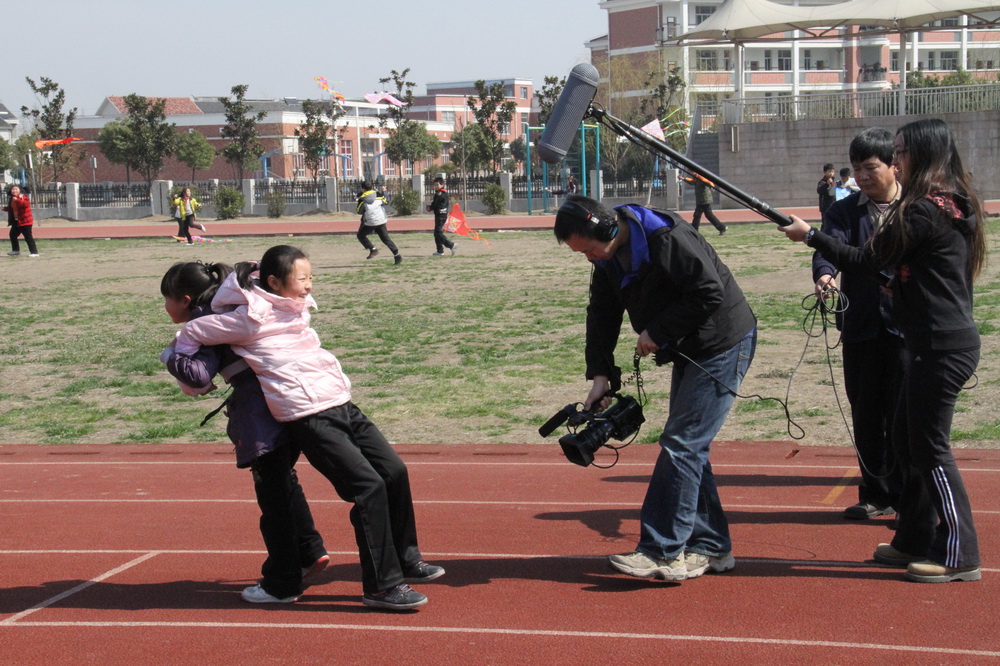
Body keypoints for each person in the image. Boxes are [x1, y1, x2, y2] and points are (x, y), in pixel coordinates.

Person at [171, 245, 442, 608]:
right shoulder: (246, 316)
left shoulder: (288, 302)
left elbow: (257, 276)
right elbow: (195, 346)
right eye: (303, 278)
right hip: (305, 409)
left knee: (393, 471)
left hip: (336, 399)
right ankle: (380, 585)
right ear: (274, 282)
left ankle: (404, 559)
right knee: (361, 487)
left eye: (310, 277)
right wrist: (176, 356)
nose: (310, 285)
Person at [782, 118, 986, 583]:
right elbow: (894, 269)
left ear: (921, 156)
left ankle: (961, 552)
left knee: (930, 449)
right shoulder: (948, 203)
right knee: (906, 442)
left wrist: (810, 236)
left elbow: (866, 260)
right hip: (932, 341)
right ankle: (914, 538)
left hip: (939, 345)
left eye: (901, 152)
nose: (896, 160)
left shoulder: (924, 211)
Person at [554, 195, 757, 582]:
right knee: (689, 446)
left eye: (590, 250)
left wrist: (658, 331)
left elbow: (709, 290)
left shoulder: (667, 237)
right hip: (690, 348)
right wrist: (601, 375)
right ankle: (711, 545)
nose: (589, 259)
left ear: (608, 229)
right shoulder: (606, 257)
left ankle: (661, 551)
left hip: (723, 343)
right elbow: (602, 312)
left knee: (682, 443)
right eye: (582, 254)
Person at [159, 260, 329, 604]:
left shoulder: (206, 323)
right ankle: (310, 550)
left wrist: (168, 356)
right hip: (299, 394)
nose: (165, 306)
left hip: (262, 410)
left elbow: (197, 375)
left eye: (166, 299)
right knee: (284, 480)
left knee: (272, 495)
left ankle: (282, 582)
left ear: (185, 299)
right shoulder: (237, 304)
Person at [813, 128, 903, 521]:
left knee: (903, 416)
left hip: (907, 329)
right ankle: (876, 495)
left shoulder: (916, 209)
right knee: (865, 413)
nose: (862, 176)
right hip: (861, 326)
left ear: (894, 166)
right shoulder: (843, 211)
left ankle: (907, 497)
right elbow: (829, 247)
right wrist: (825, 274)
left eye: (870, 167)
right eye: (856, 169)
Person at [356, 181, 402, 264]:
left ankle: (373, 249)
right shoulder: (379, 195)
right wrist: (384, 191)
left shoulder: (362, 199)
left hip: (370, 222)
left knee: (360, 235)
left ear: (363, 189)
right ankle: (397, 254)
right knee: (385, 238)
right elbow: (386, 201)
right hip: (381, 220)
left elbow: (359, 211)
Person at [4, 185, 39, 257]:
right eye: (13, 189)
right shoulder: (12, 198)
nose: (14, 191)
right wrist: (4, 208)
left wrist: (17, 200)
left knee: (28, 237)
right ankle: (15, 250)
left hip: (25, 221)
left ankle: (34, 252)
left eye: (16, 189)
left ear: (19, 190)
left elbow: (25, 205)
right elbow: (12, 208)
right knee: (12, 235)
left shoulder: (23, 197)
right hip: (16, 221)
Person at [426, 177, 456, 256]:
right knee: (437, 233)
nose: (436, 186)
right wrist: (431, 207)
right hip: (441, 214)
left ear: (442, 185)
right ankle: (440, 250)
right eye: (435, 185)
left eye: (437, 184)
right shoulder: (444, 193)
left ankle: (451, 245)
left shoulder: (439, 194)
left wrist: (430, 208)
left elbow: (436, 204)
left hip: (440, 215)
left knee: (438, 233)